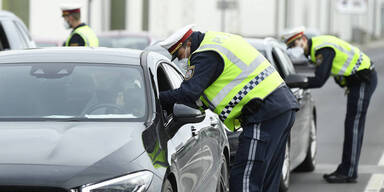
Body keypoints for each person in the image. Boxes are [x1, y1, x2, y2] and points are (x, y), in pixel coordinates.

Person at [159, 25, 299, 192]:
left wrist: (158, 99)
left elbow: (188, 93)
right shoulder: (219, 41)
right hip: (280, 107)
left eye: (179, 54)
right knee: (268, 178)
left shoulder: (205, 54)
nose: (181, 59)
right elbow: (210, 91)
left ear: (187, 44)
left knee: (244, 177)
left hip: (264, 112)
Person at [282, 27, 377, 183]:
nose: (293, 49)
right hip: (357, 82)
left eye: (294, 44)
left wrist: (294, 83)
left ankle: (349, 172)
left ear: (303, 39)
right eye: (290, 46)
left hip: (363, 80)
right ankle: (346, 168)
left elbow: (319, 80)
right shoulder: (316, 49)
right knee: (351, 125)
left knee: (353, 126)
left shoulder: (322, 49)